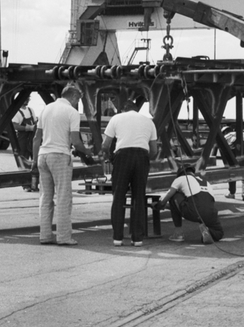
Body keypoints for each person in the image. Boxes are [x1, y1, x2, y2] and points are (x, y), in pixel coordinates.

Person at [32, 85, 91, 246]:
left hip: (43, 155)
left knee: (45, 198)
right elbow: (75, 141)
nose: (77, 103)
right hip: (59, 155)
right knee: (64, 198)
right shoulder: (71, 112)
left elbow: (36, 138)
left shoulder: (46, 109)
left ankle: (45, 235)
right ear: (73, 97)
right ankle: (64, 237)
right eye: (78, 100)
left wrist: (34, 161)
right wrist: (87, 151)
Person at [101, 94, 159, 247]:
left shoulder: (116, 118)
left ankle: (118, 238)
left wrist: (111, 158)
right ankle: (137, 238)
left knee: (118, 197)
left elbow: (105, 145)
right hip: (142, 156)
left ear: (123, 109)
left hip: (123, 156)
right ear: (136, 109)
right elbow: (154, 150)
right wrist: (144, 159)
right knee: (138, 197)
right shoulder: (149, 122)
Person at [161, 163, 224, 244]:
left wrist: (160, 205)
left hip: (194, 211)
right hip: (211, 212)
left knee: (174, 195)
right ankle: (209, 231)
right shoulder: (204, 181)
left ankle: (178, 234)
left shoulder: (181, 178)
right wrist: (168, 207)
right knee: (219, 232)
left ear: (180, 173)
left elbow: (169, 194)